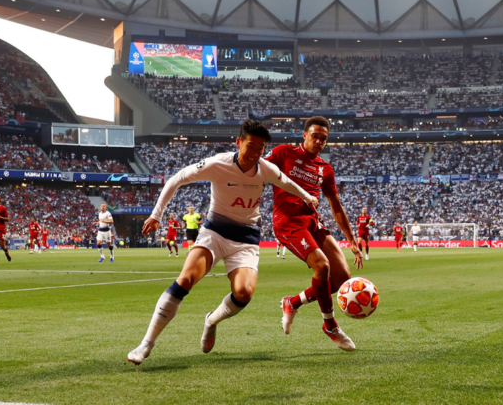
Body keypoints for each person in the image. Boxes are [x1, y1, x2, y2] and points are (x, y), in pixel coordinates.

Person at [127, 120, 318, 365]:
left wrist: (307, 197)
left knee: (244, 293)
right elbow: (177, 178)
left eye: (261, 148)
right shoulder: (218, 164)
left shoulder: (266, 168)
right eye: (251, 146)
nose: (256, 153)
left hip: (246, 238)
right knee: (185, 279)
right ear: (238, 143)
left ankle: (211, 320)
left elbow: (287, 183)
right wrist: (156, 215)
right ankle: (146, 344)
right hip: (214, 232)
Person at [265, 116, 363, 352]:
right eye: (315, 136)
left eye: (323, 138)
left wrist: (351, 240)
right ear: (305, 135)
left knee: (342, 277)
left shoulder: (325, 169)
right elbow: (257, 171)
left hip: (313, 222)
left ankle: (293, 302)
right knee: (322, 266)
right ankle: (330, 326)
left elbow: (336, 206)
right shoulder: (283, 153)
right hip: (288, 222)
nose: (319, 141)